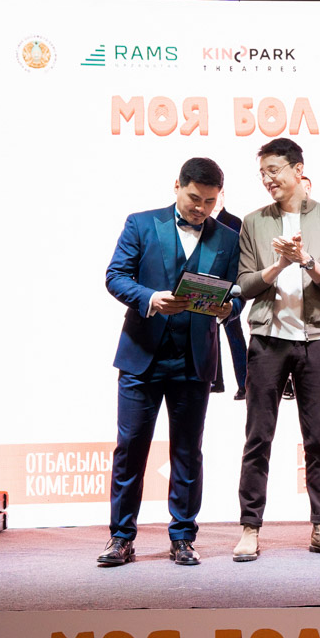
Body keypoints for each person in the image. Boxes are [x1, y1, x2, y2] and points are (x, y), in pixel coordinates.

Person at [99, 157, 242, 567]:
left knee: (188, 452)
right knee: (130, 449)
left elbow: (237, 293)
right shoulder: (141, 224)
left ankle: (183, 537)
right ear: (176, 185)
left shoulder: (229, 238)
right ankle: (121, 538)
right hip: (141, 357)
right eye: (195, 198)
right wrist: (149, 298)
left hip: (194, 361)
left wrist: (227, 309)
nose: (201, 208)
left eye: (210, 202)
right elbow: (115, 276)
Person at [232, 138, 320, 562]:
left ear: (298, 170)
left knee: (317, 439)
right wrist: (278, 266)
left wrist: (305, 260)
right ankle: (250, 528)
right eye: (262, 173)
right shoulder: (253, 222)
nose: (268, 180)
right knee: (258, 437)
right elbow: (244, 285)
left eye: (274, 170)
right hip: (266, 341)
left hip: (315, 340)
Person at [214, 192, 248, 400]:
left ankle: (244, 384)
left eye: (222, 195)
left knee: (234, 333)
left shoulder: (234, 221)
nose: (219, 199)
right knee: (209, 334)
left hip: (229, 285)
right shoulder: (201, 219)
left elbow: (240, 256)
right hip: (207, 283)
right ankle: (215, 380)